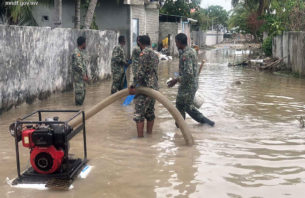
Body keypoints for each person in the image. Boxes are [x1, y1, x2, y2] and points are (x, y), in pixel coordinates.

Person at [167, 33, 215, 127]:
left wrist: (176, 80)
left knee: (184, 106)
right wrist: (177, 79)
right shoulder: (191, 51)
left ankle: (206, 123)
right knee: (183, 106)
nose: (176, 45)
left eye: (176, 42)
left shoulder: (187, 54)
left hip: (188, 85)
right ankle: (181, 127)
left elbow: (188, 73)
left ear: (180, 42)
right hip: (189, 84)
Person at [129, 35, 159, 137]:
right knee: (150, 113)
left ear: (140, 42)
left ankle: (140, 140)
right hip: (153, 88)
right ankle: (149, 136)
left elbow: (140, 73)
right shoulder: (154, 54)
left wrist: (133, 86)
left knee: (139, 114)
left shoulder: (144, 53)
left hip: (144, 88)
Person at [72, 36, 88, 106]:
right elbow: (78, 65)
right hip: (78, 78)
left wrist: (86, 74)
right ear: (83, 43)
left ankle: (80, 109)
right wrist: (83, 75)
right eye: (85, 43)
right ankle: (78, 111)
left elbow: (83, 65)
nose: (86, 44)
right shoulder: (76, 52)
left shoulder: (81, 52)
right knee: (79, 95)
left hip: (82, 78)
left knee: (83, 93)